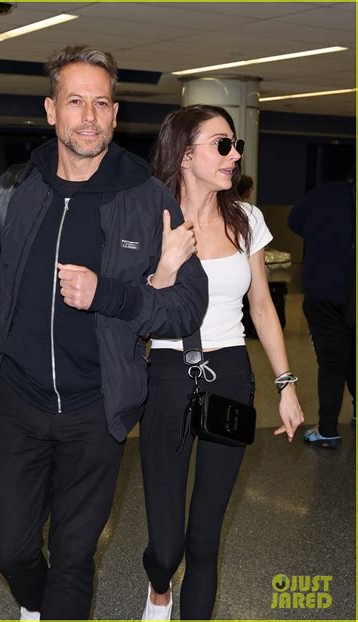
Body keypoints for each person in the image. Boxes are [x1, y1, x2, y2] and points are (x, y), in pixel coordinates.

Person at [0, 46, 208, 621]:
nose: (89, 116)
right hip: (17, 402)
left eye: (101, 103)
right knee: (10, 546)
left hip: (97, 409)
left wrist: (107, 294)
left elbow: (187, 306)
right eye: (75, 102)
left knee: (75, 555)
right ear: (51, 111)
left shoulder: (146, 197)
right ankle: (34, 604)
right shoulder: (13, 191)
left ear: (115, 113)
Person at [139, 105, 304, 620]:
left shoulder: (246, 219)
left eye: (235, 145)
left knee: (205, 539)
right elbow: (137, 312)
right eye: (222, 145)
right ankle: (158, 588)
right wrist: (166, 265)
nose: (234, 156)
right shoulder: (151, 219)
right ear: (186, 155)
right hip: (166, 375)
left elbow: (261, 307)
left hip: (230, 376)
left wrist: (286, 384)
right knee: (166, 547)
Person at [288, 180, 355, 448]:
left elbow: (294, 221)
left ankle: (327, 428)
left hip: (324, 290)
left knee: (332, 361)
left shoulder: (324, 193)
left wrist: (321, 236)